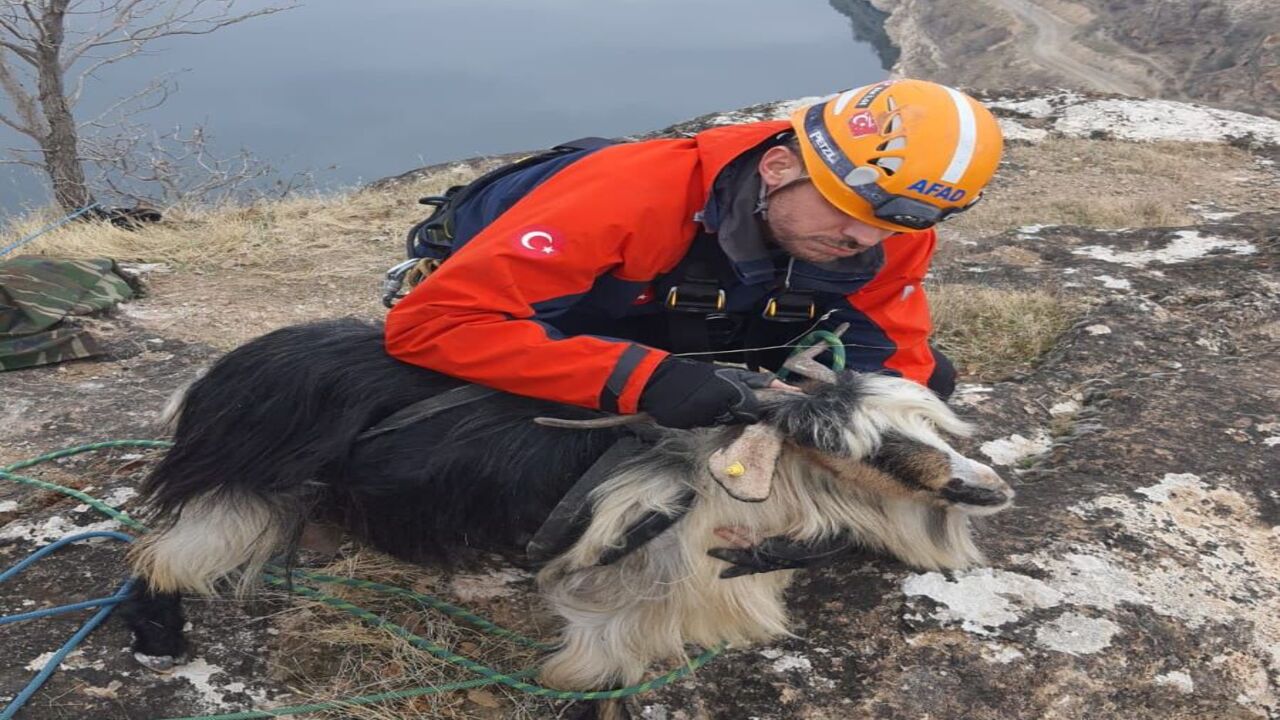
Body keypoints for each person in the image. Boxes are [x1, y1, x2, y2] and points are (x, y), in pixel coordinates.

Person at [386, 78, 1003, 431]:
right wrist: (643, 379)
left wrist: (872, 428)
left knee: (924, 386)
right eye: (844, 210)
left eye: (887, 227)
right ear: (778, 165)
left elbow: (893, 354)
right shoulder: (628, 199)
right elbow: (432, 326)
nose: (863, 240)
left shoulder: (888, 225)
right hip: (572, 315)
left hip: (715, 319)